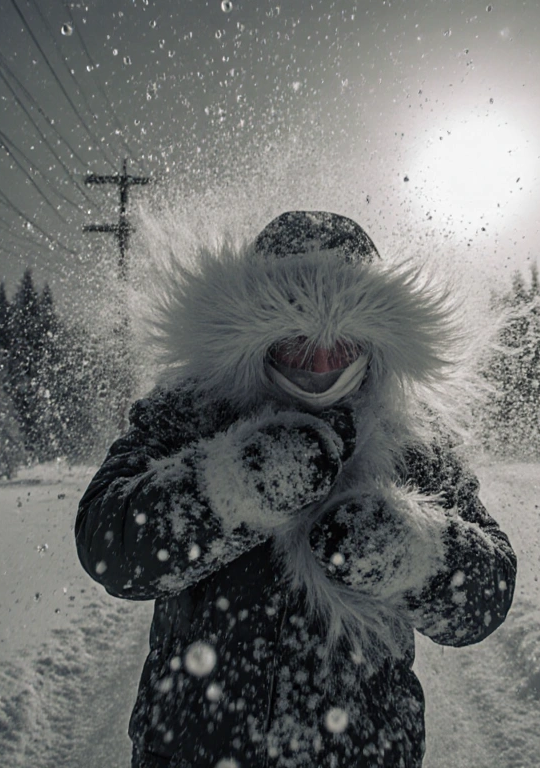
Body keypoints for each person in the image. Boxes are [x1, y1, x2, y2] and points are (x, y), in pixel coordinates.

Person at [75, 211, 516, 768]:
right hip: (191, 751)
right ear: (257, 336)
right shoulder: (191, 411)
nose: (321, 367)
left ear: (375, 343)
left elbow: (487, 595)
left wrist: (411, 552)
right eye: (298, 340)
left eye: (343, 343)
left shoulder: (413, 438)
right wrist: (233, 488)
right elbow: (108, 546)